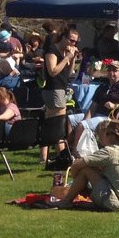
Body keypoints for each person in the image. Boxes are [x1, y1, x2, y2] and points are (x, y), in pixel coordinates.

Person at [51, 119, 119, 210]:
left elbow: (76, 166)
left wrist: (79, 183)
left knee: (86, 170)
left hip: (117, 203)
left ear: (112, 136)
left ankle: (66, 201)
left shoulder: (110, 151)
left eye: (107, 134)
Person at [41, 27, 79, 163]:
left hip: (60, 88)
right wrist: (67, 57)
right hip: (53, 90)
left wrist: (72, 58)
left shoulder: (65, 52)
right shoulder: (52, 51)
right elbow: (52, 71)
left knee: (50, 123)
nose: (73, 44)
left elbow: (67, 74)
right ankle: (63, 156)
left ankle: (44, 157)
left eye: (75, 42)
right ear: (63, 37)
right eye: (71, 40)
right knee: (58, 124)